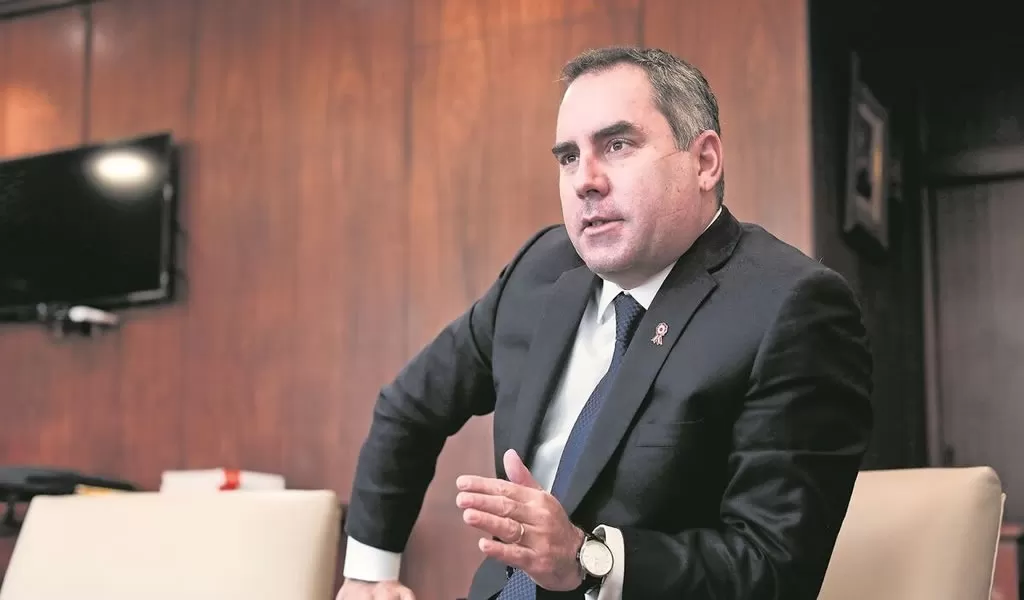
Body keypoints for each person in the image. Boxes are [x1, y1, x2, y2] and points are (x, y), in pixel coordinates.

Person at [337, 46, 874, 600]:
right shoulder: (541, 270)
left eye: (617, 145)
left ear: (705, 162)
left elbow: (774, 569)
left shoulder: (792, 307)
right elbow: (409, 408)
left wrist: (587, 559)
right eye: (569, 157)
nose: (585, 181)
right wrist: (369, 573)